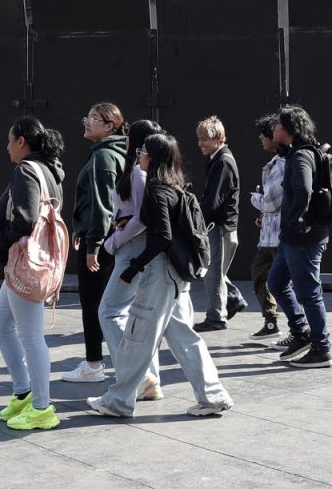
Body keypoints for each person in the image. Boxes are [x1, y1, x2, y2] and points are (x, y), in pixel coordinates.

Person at [88, 133, 233, 419]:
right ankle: (213, 395)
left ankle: (118, 401)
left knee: (138, 337)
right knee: (183, 336)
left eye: (142, 152)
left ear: (151, 157)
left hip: (159, 274)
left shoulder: (155, 189)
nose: (139, 155)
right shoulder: (176, 187)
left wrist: (132, 269)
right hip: (176, 276)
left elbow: (162, 237)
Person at [0, 116, 67, 430]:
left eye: (10, 140)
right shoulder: (50, 169)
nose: (7, 146)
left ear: (22, 141)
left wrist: (3, 239)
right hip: (33, 262)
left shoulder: (25, 170)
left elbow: (25, 219)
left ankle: (41, 407)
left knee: (31, 336)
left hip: (27, 262)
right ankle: (23, 392)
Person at [96, 118, 165, 401]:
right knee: (139, 319)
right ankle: (149, 379)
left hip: (131, 250)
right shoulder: (144, 171)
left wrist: (111, 243)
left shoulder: (138, 173)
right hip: (136, 250)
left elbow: (140, 219)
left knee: (109, 311)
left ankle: (133, 375)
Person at [59, 102, 127, 383]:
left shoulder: (104, 158)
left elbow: (102, 205)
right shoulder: (114, 153)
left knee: (94, 304)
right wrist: (79, 226)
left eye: (94, 118)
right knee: (109, 306)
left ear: (110, 126)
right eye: (87, 116)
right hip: (105, 238)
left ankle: (94, 365)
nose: (86, 121)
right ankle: (126, 365)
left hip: (100, 241)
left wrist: (93, 246)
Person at [267, 104, 332, 369]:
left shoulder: (301, 157)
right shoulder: (298, 153)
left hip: (303, 238)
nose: (273, 128)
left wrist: (296, 220)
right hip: (292, 238)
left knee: (309, 293)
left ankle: (321, 348)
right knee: (276, 282)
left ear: (290, 130)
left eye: (277, 124)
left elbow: (304, 189)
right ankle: (301, 331)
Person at [193, 115, 247, 331]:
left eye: (205, 138)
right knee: (216, 272)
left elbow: (214, 201)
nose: (201, 143)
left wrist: (196, 221)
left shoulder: (222, 162)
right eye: (199, 139)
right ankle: (233, 300)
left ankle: (217, 317)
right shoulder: (219, 159)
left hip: (222, 227)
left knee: (213, 274)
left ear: (219, 138)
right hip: (224, 226)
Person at [248, 113, 284, 339]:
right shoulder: (275, 163)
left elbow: (271, 202)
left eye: (264, 134)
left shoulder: (281, 164)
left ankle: (300, 328)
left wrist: (255, 199)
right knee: (259, 273)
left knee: (281, 283)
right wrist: (263, 215)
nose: (261, 139)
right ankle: (271, 322)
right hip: (269, 234)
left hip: (280, 236)